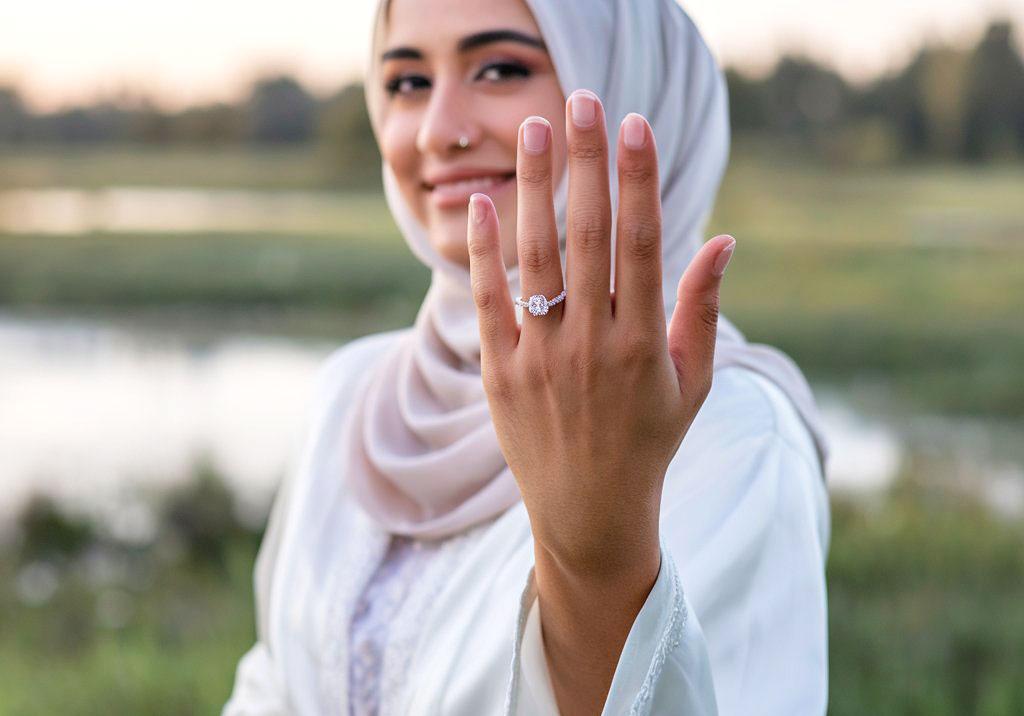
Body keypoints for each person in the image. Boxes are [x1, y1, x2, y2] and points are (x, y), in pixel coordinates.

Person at [223, 0, 832, 713]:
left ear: (632, 83)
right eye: (407, 83)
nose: (439, 131)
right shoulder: (353, 396)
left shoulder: (734, 435)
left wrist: (596, 563)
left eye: (501, 69)